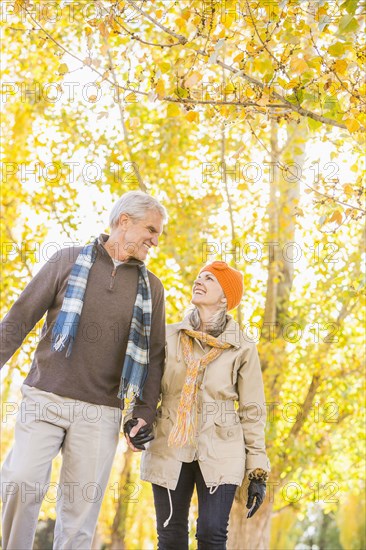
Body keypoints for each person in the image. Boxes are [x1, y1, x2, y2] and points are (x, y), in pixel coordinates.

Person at [0, 190, 167, 549]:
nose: (155, 240)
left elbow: (154, 357)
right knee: (20, 481)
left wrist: (143, 412)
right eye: (151, 230)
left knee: (78, 520)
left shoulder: (152, 289)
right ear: (124, 222)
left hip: (100, 411)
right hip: (45, 396)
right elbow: (18, 319)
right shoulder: (66, 261)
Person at [126, 261, 271, 550]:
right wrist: (134, 420)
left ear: (225, 298)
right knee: (170, 535)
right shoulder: (168, 336)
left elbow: (252, 411)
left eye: (210, 279)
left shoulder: (242, 347)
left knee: (212, 533)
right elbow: (146, 387)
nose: (200, 280)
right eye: (199, 276)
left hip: (222, 449)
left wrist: (257, 471)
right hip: (169, 446)